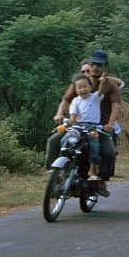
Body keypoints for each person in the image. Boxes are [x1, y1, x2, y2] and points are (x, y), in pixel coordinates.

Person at [49, 49, 121, 196]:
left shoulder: (110, 86)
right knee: (54, 140)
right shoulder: (80, 82)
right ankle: (54, 174)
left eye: (99, 65)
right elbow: (66, 100)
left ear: (104, 66)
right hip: (78, 125)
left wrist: (110, 125)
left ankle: (99, 180)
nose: (95, 68)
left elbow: (116, 107)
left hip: (100, 127)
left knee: (109, 152)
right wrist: (59, 113)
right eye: (93, 64)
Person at [67, 72, 105, 181]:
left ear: (90, 87)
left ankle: (92, 171)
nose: (82, 89)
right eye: (79, 88)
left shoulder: (95, 97)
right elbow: (73, 117)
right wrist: (69, 122)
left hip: (92, 127)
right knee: (65, 140)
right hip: (78, 126)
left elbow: (101, 91)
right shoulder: (75, 101)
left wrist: (102, 82)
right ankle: (62, 167)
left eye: (85, 86)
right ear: (75, 90)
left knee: (95, 146)